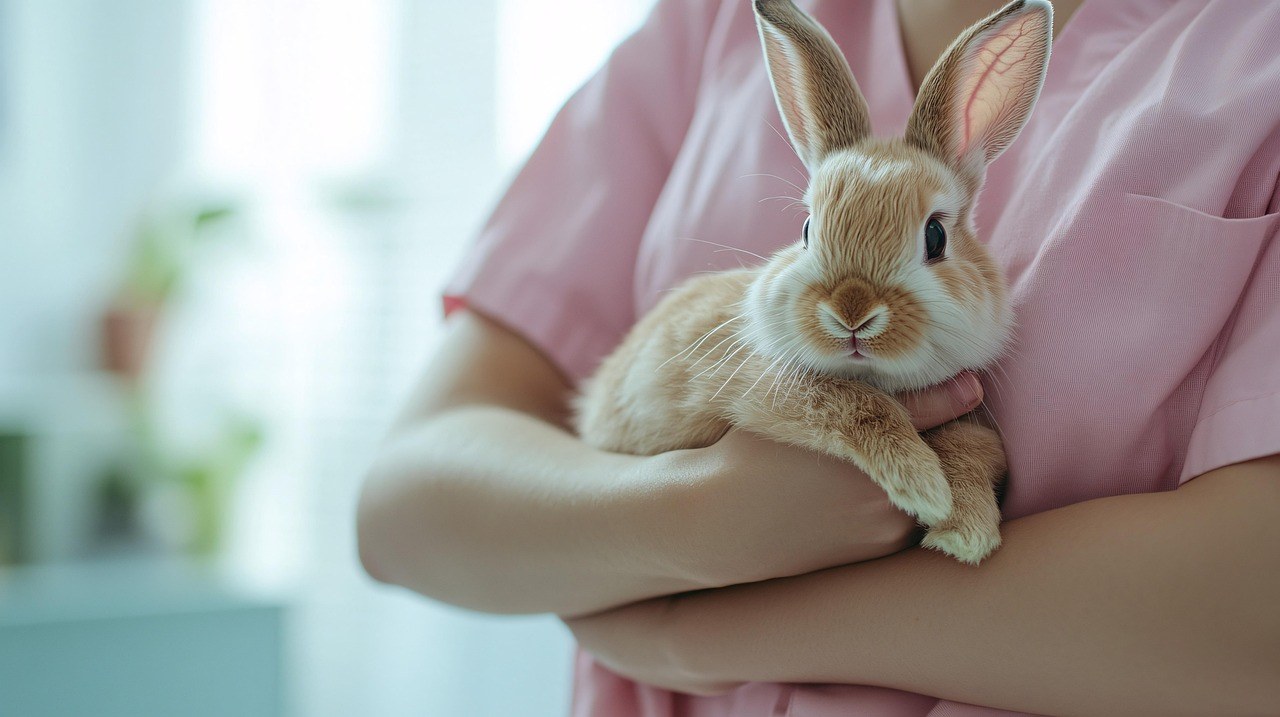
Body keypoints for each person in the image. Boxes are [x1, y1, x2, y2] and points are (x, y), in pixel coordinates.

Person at [356, 0, 1280, 714]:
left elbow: (1252, 608)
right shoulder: (715, 24)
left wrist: (694, 631)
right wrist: (697, 516)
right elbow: (406, 507)